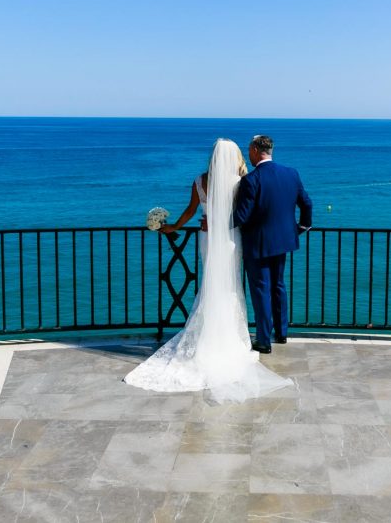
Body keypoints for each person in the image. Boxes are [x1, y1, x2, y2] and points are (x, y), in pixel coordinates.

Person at [123, 139, 293, 403]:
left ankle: (209, 335)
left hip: (208, 239)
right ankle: (233, 336)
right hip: (230, 237)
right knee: (231, 284)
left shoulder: (200, 181)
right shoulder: (242, 181)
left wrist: (173, 227)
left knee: (211, 282)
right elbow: (248, 211)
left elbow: (190, 212)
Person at [233, 135, 313, 354]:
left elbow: (241, 216)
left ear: (257, 151)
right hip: (284, 241)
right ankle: (281, 333)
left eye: (249, 150)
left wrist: (215, 223)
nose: (248, 154)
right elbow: (307, 204)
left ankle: (263, 340)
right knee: (278, 286)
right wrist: (302, 228)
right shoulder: (291, 173)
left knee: (260, 290)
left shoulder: (251, 180)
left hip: (257, 245)